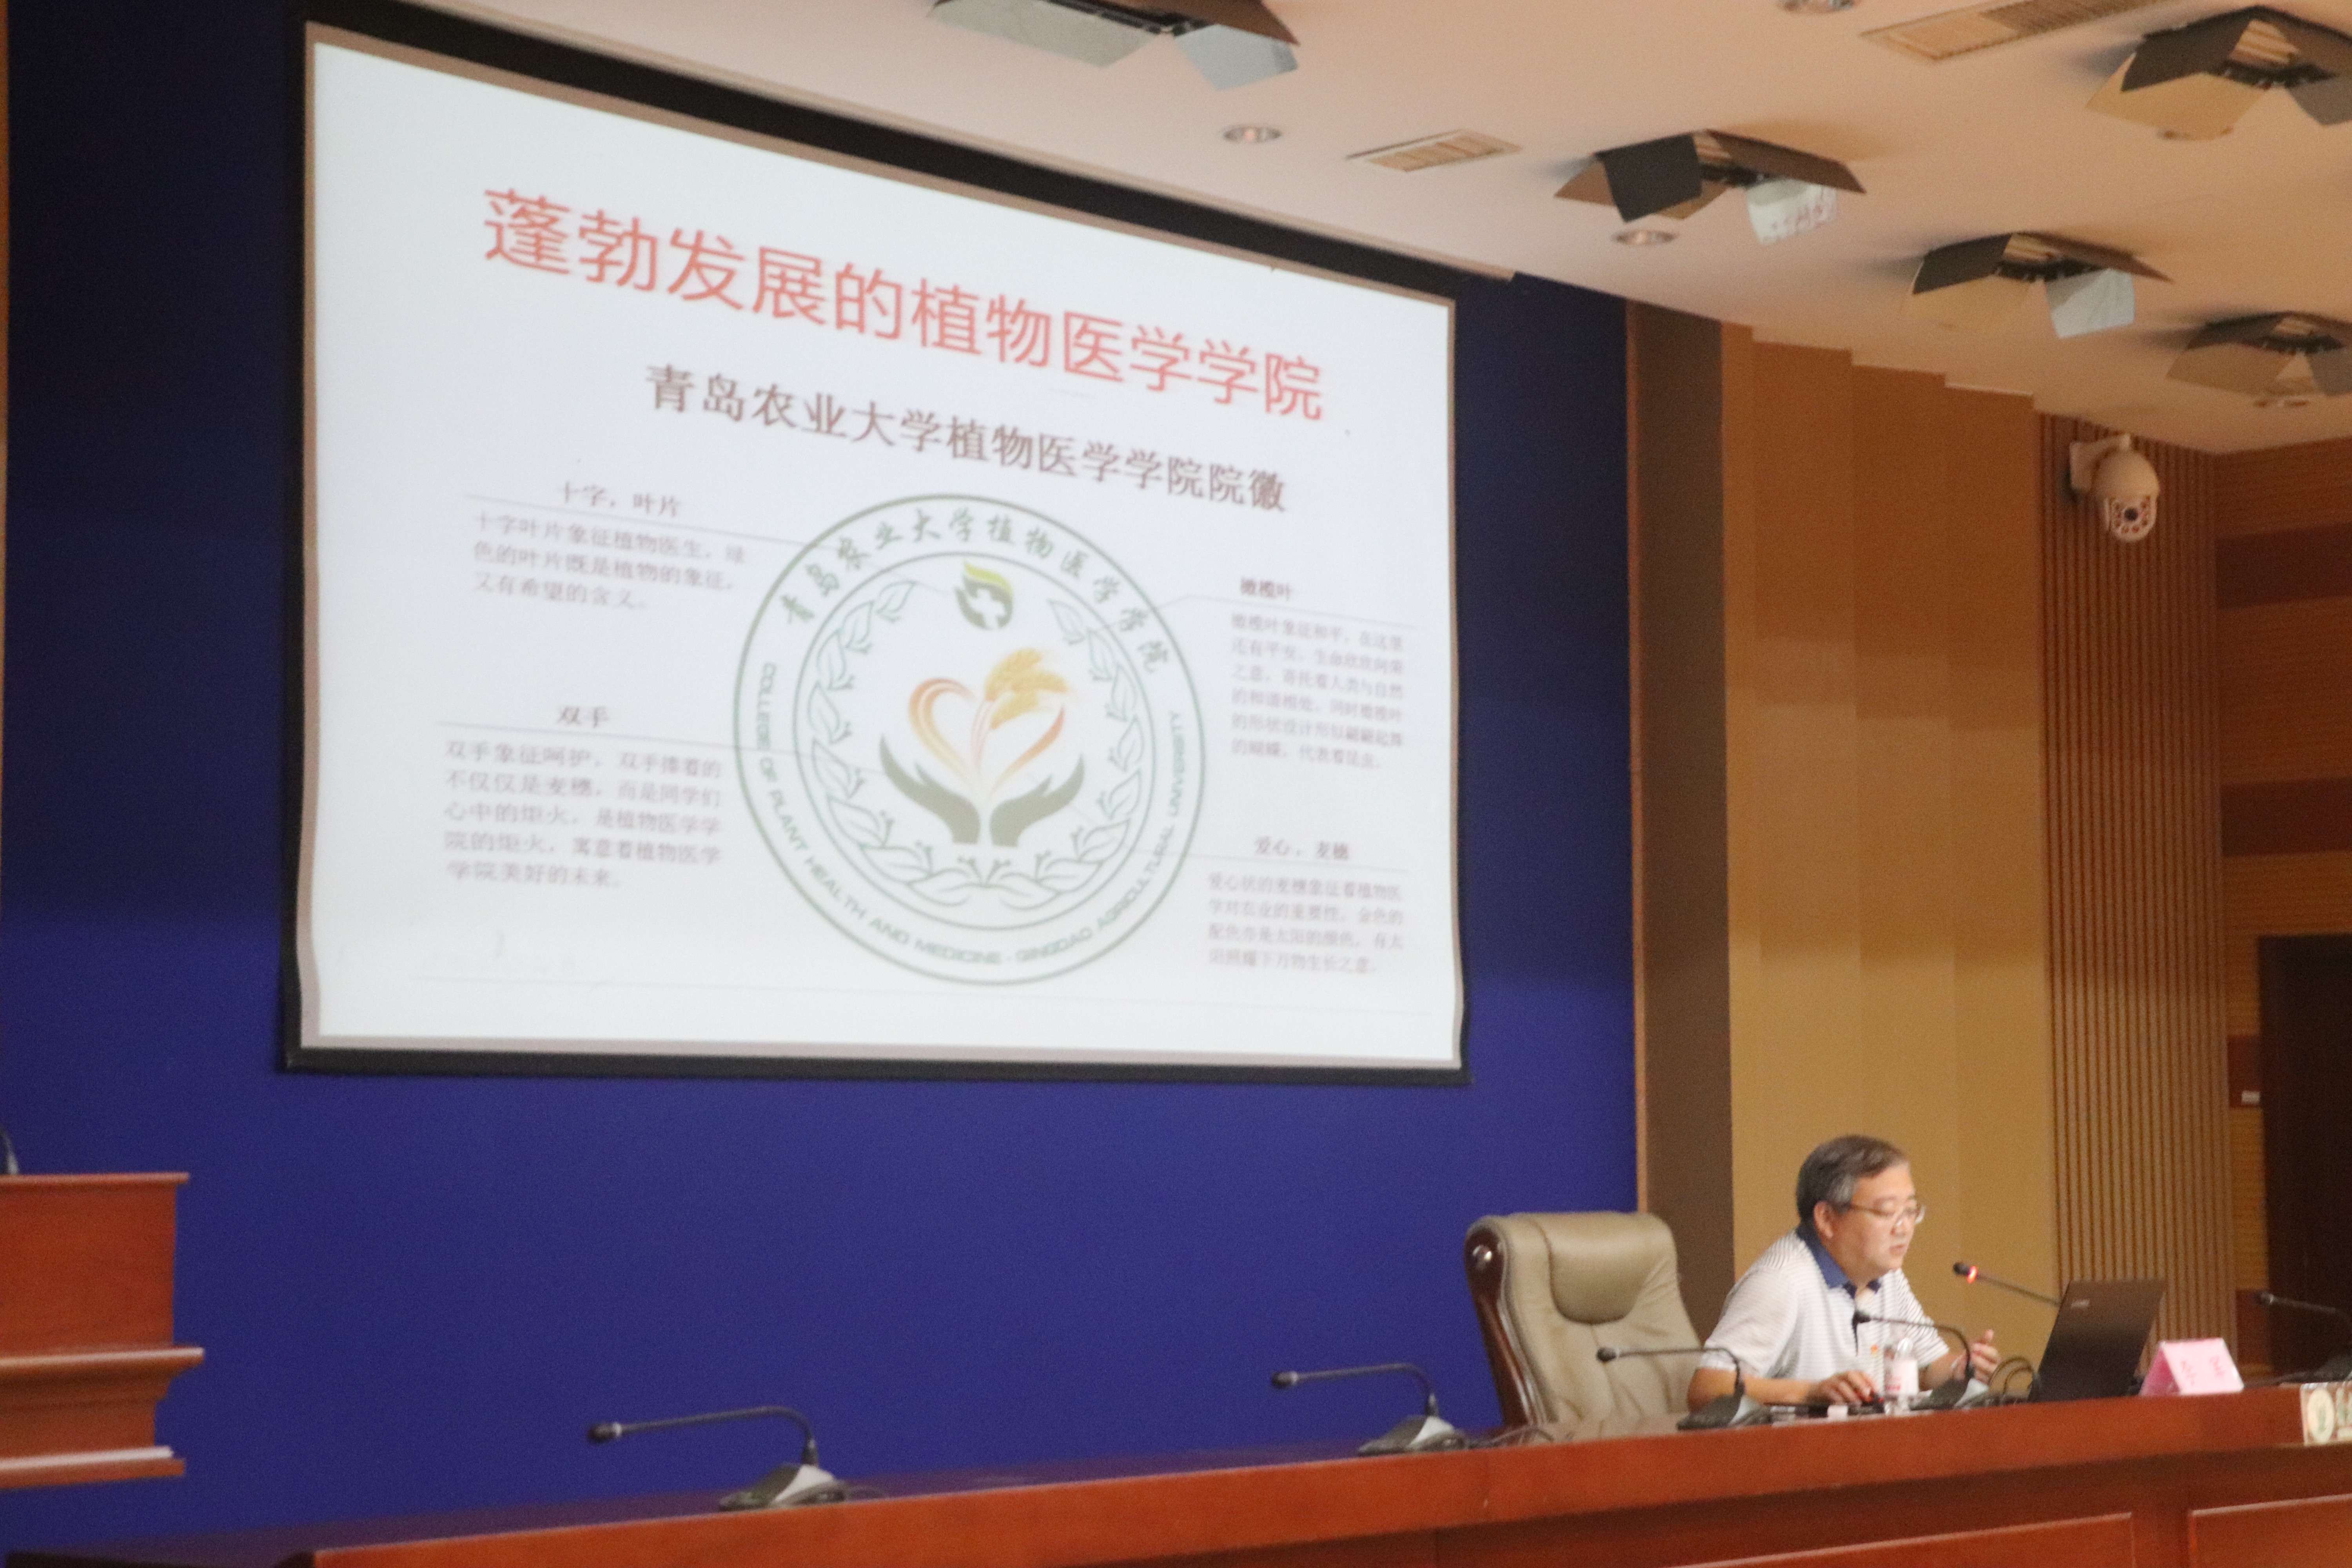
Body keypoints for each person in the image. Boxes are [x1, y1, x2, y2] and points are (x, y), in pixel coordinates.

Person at [1687, 1134, 1999, 1412]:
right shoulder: (1781, 1283)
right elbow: (1708, 1388)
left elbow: (1927, 1368)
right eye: (1887, 1212)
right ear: (1827, 1218)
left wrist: (1960, 1368)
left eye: (1910, 1211)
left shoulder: (1886, 1275)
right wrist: (1811, 1392)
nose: (1904, 1228)